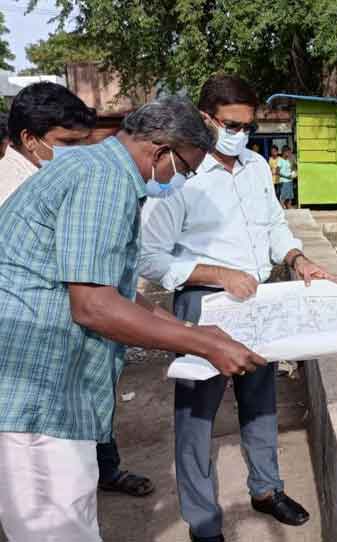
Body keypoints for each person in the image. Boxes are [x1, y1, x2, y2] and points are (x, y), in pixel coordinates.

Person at [0, 96, 266, 542]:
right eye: (184, 170)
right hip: (37, 394)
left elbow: (113, 290)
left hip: (46, 389)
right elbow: (93, 305)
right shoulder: (105, 181)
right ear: (161, 152)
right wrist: (206, 346)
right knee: (58, 530)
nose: (179, 181)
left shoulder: (94, 170)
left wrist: (189, 333)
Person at [140, 74, 337, 542]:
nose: (240, 133)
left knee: (260, 400)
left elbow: (274, 225)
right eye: (231, 124)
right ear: (206, 118)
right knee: (196, 415)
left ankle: (266, 489)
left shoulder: (254, 166)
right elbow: (150, 257)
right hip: (203, 304)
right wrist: (217, 274)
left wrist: (298, 258)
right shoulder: (178, 176)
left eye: (247, 125)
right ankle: (203, 521)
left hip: (257, 302)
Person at [0, 81, 156, 498]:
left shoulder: (64, 174)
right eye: (66, 141)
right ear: (29, 140)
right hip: (33, 363)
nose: (78, 151)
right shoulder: (15, 185)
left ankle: (105, 470)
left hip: (69, 359)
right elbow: (90, 299)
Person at [0, 82, 95, 205]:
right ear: (30, 139)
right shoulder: (18, 193)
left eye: (86, 140)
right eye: (69, 142)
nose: (82, 149)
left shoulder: (47, 180)